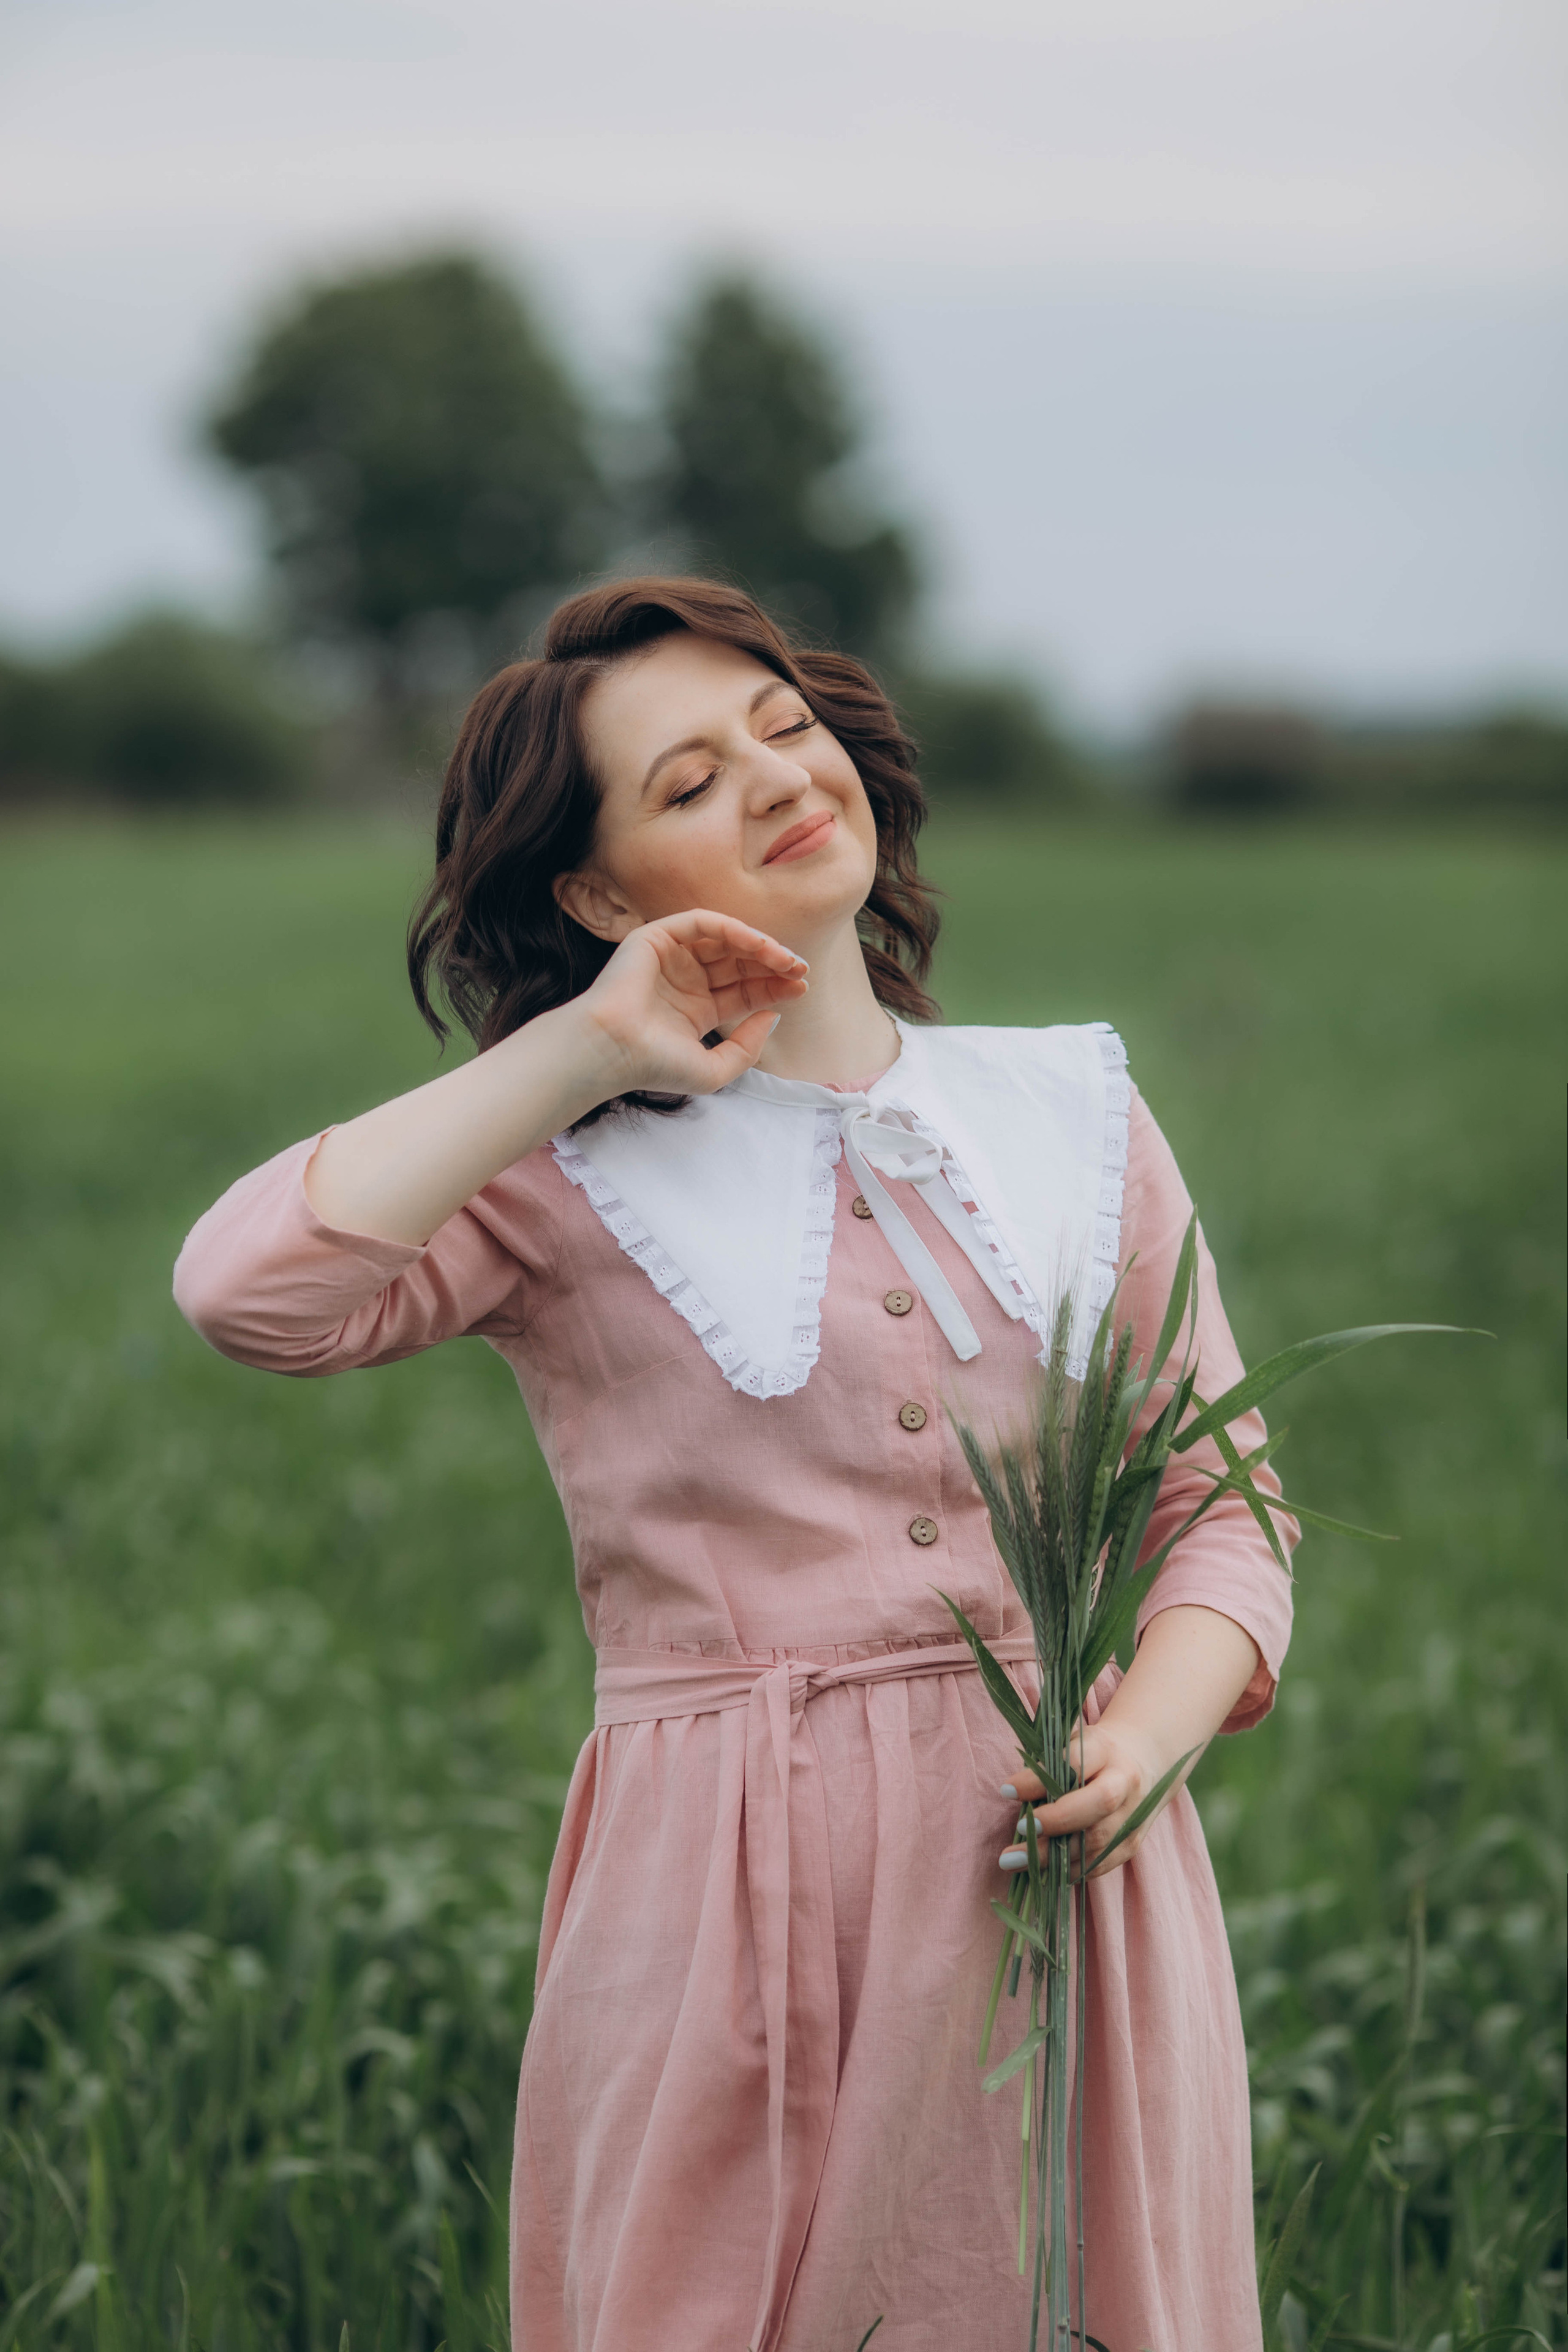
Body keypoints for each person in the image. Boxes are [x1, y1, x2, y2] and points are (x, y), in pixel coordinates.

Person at [173, 578, 1295, 2352]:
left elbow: (1224, 1509)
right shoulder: (570, 1177)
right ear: (602, 894)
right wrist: (580, 1050)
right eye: (687, 784)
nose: (779, 778)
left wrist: (1151, 1730)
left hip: (1071, 1873)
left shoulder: (1074, 1116)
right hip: (725, 1889)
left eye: (786, 728)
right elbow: (249, 1294)